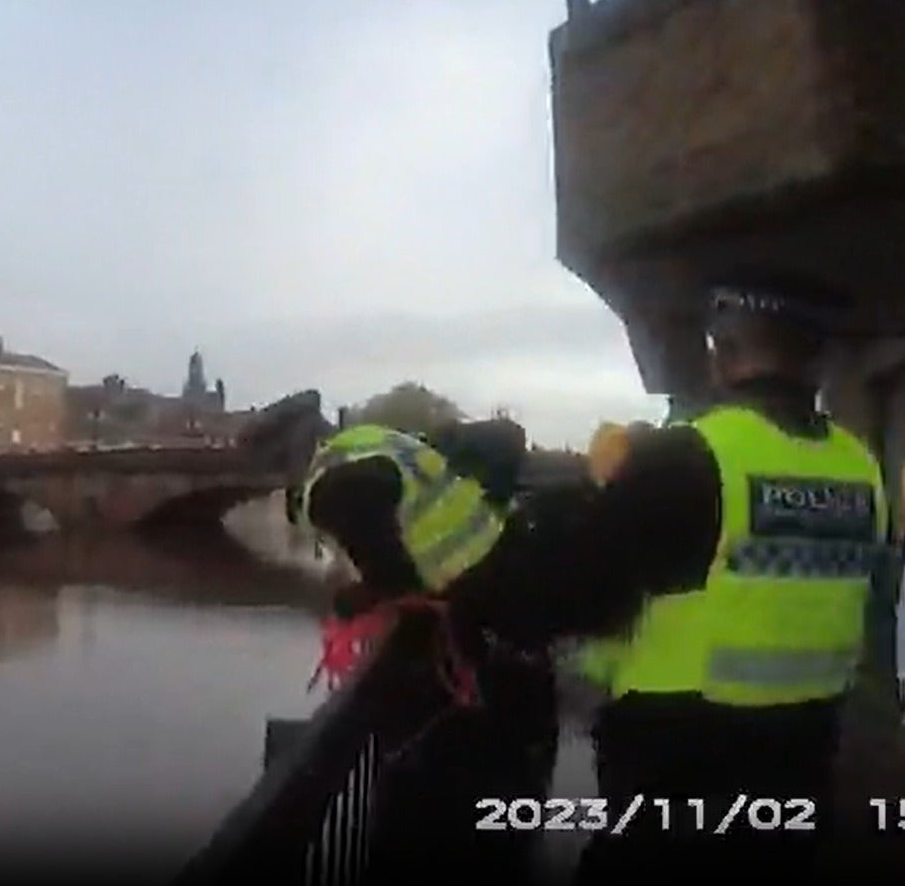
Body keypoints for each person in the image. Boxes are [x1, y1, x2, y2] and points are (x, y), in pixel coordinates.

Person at [443, 274, 898, 880]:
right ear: (815, 360)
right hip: (802, 762)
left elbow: (561, 595)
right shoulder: (860, 468)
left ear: (723, 354)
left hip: (680, 764)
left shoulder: (689, 455)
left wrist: (477, 582)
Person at [286, 418, 559, 878]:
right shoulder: (371, 443)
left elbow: (396, 579)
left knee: (443, 808)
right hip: (511, 611)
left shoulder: (334, 490)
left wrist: (357, 599)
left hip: (482, 644)